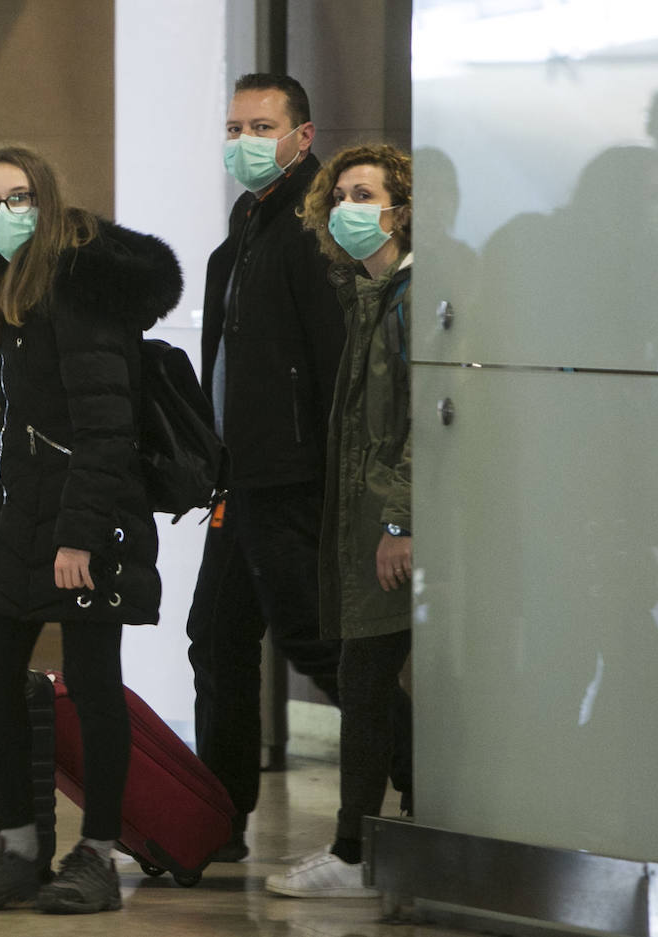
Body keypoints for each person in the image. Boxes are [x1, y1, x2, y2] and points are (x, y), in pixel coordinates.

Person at [0, 144, 182, 914]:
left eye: (17, 198)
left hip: (84, 521)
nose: (1, 213)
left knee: (92, 682)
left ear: (43, 205)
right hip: (25, 510)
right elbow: (46, 401)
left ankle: (98, 854)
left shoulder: (76, 288)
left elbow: (106, 428)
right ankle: (18, 847)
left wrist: (79, 536)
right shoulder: (18, 291)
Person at [185, 73, 355, 860]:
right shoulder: (248, 224)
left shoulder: (311, 231)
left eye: (261, 126)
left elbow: (331, 366)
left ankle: (423, 774)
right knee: (215, 638)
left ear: (302, 136)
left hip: (289, 479)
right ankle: (220, 820)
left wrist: (326, 480)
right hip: (238, 479)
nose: (243, 140)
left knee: (311, 639)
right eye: (234, 126)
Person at [267, 143, 414, 898]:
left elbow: (424, 420)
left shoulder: (410, 299)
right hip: (362, 524)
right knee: (364, 678)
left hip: (391, 529)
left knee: (366, 680)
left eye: (367, 195)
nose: (350, 209)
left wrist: (399, 520)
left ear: (401, 206)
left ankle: (359, 850)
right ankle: (384, 839)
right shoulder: (364, 296)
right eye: (341, 196)